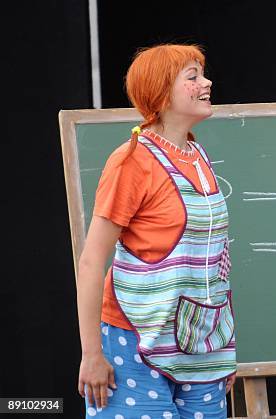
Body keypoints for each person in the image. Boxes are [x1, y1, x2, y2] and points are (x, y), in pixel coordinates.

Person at [76, 44, 236, 419]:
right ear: (161, 92)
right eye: (192, 77)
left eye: (203, 74)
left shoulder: (199, 157)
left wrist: (224, 347)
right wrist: (92, 353)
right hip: (134, 343)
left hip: (200, 347)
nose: (206, 82)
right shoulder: (132, 161)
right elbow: (90, 262)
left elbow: (215, 267)